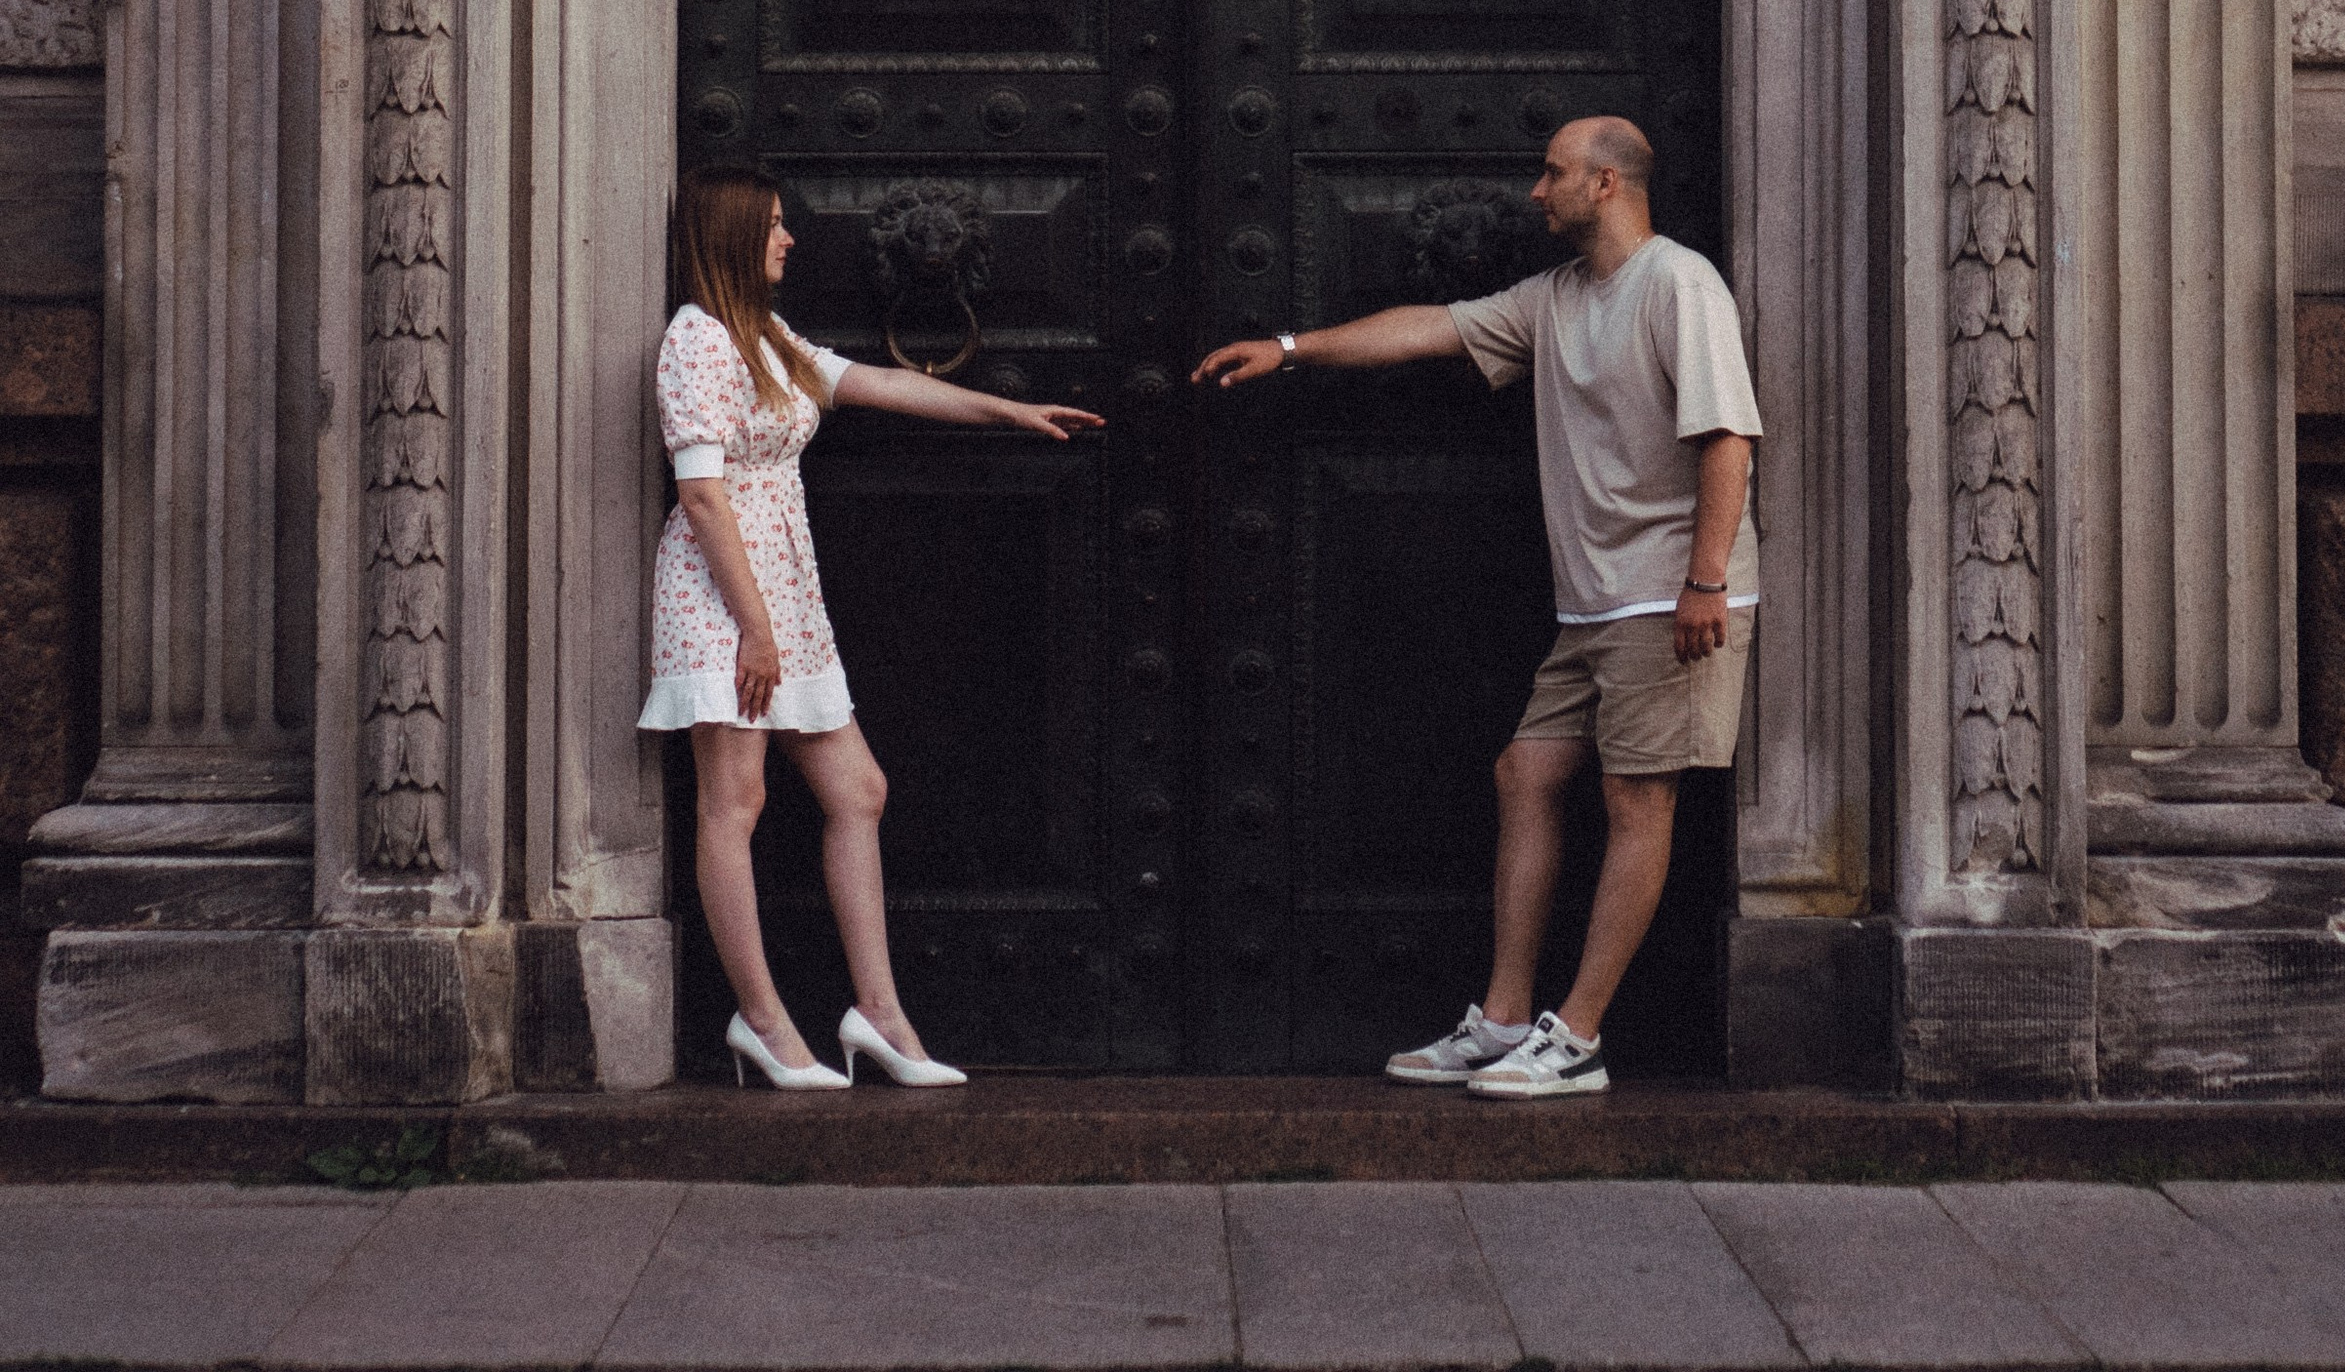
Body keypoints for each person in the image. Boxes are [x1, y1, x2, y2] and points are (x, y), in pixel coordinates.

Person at [1193, 115, 1759, 1101]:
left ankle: (1575, 1036)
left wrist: (1705, 579)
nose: (1536, 193)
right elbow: (1430, 327)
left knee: (1638, 802)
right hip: (1593, 605)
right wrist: (1288, 347)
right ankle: (1502, 1021)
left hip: (1668, 594)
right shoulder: (1555, 299)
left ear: (1608, 185)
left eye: (1552, 174)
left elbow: (1726, 439)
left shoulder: (1678, 284)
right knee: (1525, 772)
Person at [642, 162, 1103, 1091]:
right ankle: (764, 1023)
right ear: (733, 236)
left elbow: (874, 385)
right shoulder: (695, 341)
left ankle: (879, 1017)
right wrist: (753, 629)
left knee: (858, 790)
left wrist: (1007, 410)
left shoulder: (764, 335)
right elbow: (701, 496)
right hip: (723, 598)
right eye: (773, 225)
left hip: (786, 596)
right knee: (735, 803)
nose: (789, 238)